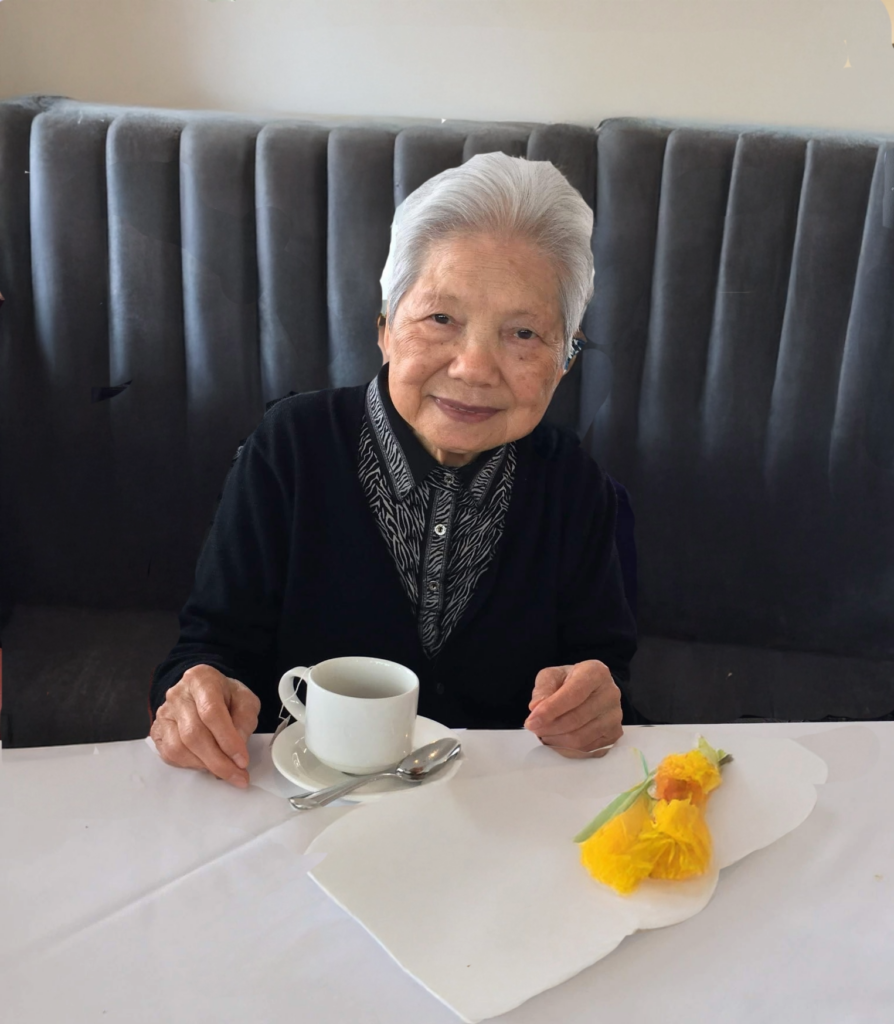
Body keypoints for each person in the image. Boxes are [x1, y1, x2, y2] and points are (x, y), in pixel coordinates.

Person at [149, 152, 639, 788]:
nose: (473, 368)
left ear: (564, 360)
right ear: (385, 327)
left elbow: (605, 667)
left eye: (523, 333)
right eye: (441, 318)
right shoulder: (291, 448)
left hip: (493, 810)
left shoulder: (576, 486)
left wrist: (595, 701)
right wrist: (198, 697)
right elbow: (208, 648)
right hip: (309, 804)